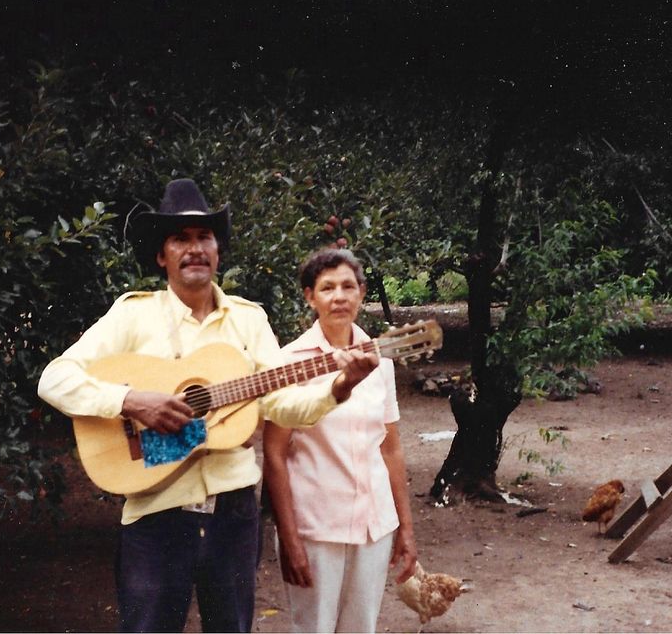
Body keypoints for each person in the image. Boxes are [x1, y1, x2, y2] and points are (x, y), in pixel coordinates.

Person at [37, 179, 379, 633]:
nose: (194, 248)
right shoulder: (133, 314)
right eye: (181, 238)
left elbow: (280, 403)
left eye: (204, 238)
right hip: (155, 510)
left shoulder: (248, 319)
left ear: (218, 252)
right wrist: (129, 400)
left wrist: (339, 387)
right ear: (162, 255)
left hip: (233, 516)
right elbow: (53, 379)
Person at [262, 247, 418, 633]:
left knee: (360, 628)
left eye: (349, 286)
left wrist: (405, 527)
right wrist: (289, 538)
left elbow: (390, 446)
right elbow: (275, 454)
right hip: (315, 527)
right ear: (309, 296)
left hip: (373, 524)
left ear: (362, 294)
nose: (339, 297)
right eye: (327, 287)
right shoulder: (288, 360)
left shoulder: (380, 360)